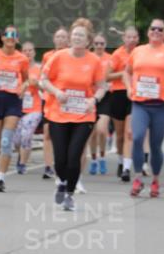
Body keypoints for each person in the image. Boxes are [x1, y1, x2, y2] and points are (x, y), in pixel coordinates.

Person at [41, 22, 106, 211]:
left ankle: (69, 193)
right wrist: (56, 92)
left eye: (81, 36)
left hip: (83, 116)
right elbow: (43, 80)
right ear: (70, 38)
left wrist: (93, 100)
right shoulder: (58, 57)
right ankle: (61, 182)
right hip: (58, 114)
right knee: (60, 159)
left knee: (74, 156)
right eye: (75, 34)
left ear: (88, 41)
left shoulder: (94, 61)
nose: (77, 38)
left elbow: (102, 86)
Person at [124, 19, 164, 198]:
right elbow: (126, 71)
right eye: (153, 28)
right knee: (137, 138)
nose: (156, 31)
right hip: (140, 103)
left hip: (161, 105)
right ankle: (137, 177)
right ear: (148, 32)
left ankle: (155, 179)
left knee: (155, 145)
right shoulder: (138, 51)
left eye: (160, 29)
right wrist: (129, 88)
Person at [0, 26, 29, 192]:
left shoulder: (22, 58)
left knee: (6, 141)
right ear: (2, 38)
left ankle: (1, 178)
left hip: (13, 101)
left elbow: (26, 79)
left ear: (17, 39)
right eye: (8, 34)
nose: (11, 37)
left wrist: (23, 87)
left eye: (14, 35)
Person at [107, 26, 139, 181]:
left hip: (135, 95)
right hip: (118, 94)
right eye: (129, 37)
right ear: (123, 38)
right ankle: (120, 161)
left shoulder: (141, 53)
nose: (131, 40)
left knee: (129, 133)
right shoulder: (117, 54)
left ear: (138, 39)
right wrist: (123, 73)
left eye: (134, 37)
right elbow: (106, 76)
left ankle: (127, 168)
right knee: (119, 135)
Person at [39, 27, 69, 178]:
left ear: (68, 40)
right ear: (54, 39)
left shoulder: (70, 56)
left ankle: (61, 163)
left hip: (65, 99)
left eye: (64, 37)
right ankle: (48, 166)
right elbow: (43, 78)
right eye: (58, 37)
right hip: (49, 98)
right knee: (47, 133)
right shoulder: (47, 56)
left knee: (63, 134)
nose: (61, 40)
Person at [13, 40, 42, 174]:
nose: (28, 53)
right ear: (21, 52)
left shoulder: (39, 68)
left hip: (34, 108)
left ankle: (22, 164)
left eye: (30, 50)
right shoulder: (17, 68)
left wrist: (37, 84)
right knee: (17, 139)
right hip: (18, 107)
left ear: (34, 52)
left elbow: (45, 86)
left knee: (26, 135)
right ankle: (21, 154)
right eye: (25, 50)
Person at [87, 32, 112, 175]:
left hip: (106, 97)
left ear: (105, 45)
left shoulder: (110, 59)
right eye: (96, 43)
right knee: (92, 132)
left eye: (101, 43)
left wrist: (108, 84)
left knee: (102, 130)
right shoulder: (88, 58)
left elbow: (115, 74)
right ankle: (94, 160)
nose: (99, 46)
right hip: (91, 97)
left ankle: (102, 157)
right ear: (92, 45)